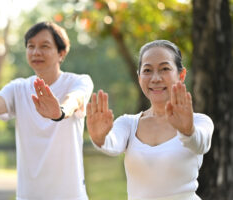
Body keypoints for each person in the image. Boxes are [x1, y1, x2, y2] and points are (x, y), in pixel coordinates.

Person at [0, 22, 93, 200]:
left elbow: (74, 100)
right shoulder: (18, 88)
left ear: (61, 53)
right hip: (28, 196)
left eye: (45, 46)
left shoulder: (78, 81)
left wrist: (59, 112)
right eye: (31, 46)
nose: (36, 52)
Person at [86, 40, 214, 200]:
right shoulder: (128, 123)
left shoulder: (200, 122)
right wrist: (99, 137)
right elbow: (111, 143)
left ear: (181, 75)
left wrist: (188, 131)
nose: (155, 78)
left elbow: (200, 143)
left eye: (164, 69)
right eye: (147, 70)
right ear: (139, 77)